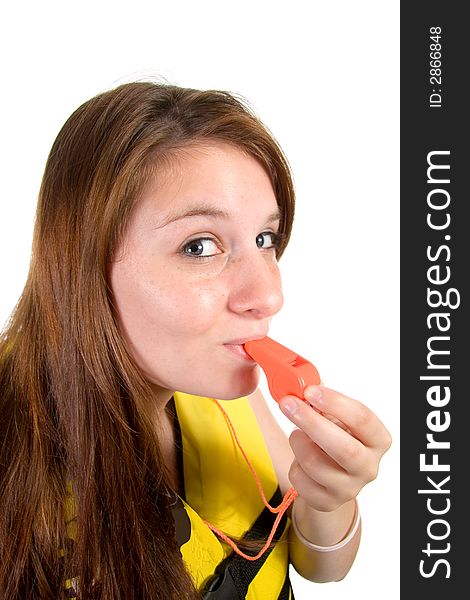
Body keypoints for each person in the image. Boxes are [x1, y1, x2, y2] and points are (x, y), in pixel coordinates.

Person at [0, 81, 391, 599]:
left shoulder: (222, 376)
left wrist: (328, 500)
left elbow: (323, 567)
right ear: (81, 265)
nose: (268, 296)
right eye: (200, 245)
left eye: (265, 239)